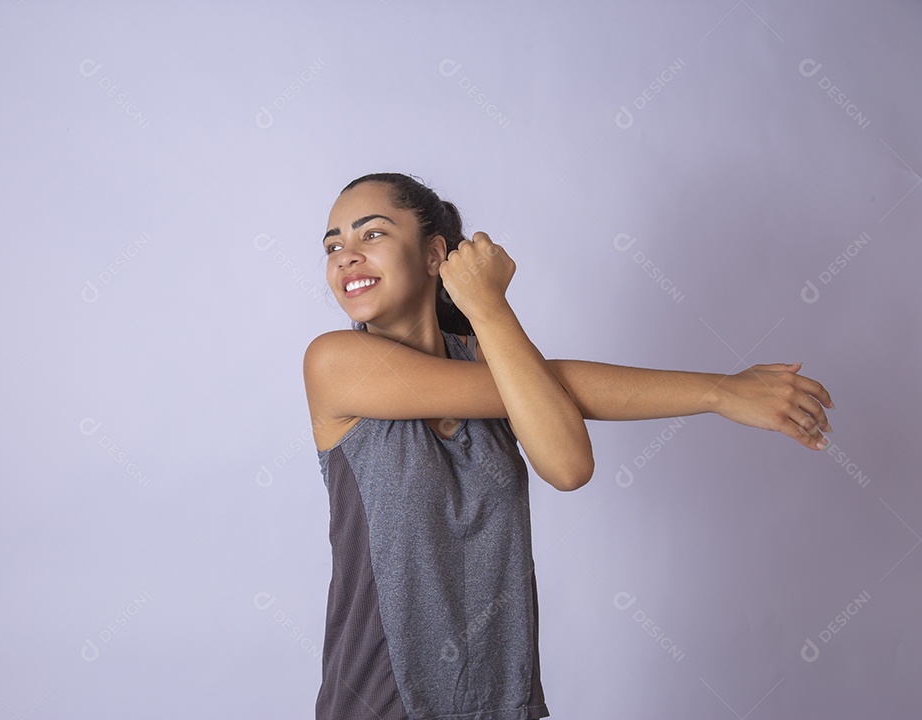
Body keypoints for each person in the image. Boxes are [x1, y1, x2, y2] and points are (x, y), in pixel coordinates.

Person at [302, 172, 834, 720]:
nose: (346, 256)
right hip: (378, 705)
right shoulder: (334, 363)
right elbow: (553, 387)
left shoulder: (498, 362)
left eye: (371, 234)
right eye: (333, 245)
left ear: (435, 253)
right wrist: (719, 391)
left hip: (504, 703)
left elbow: (568, 465)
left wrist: (489, 316)